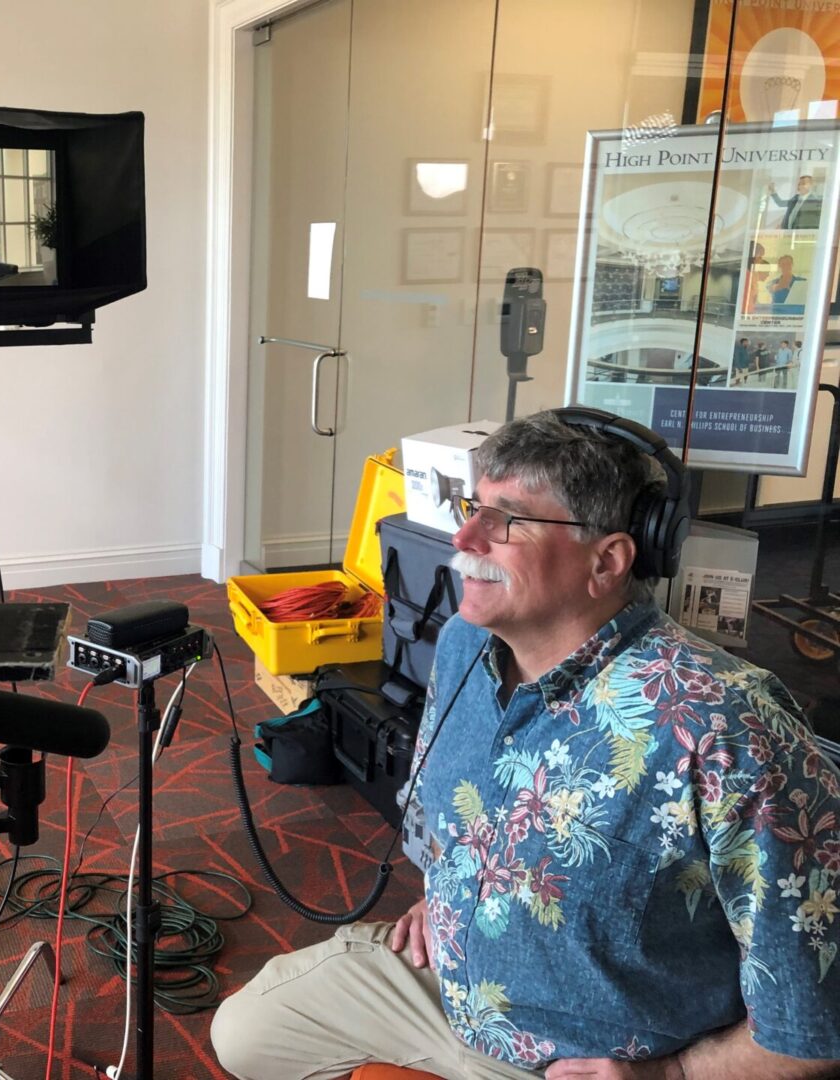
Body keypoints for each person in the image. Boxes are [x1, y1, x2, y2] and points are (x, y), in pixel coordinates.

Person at [210, 410, 840, 1080]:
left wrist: (673, 1075)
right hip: (449, 990)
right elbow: (450, 816)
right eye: (474, 506)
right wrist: (445, 893)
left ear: (608, 560)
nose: (465, 535)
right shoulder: (464, 645)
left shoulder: (725, 722)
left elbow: (812, 1026)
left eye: (506, 520)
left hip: (600, 1059)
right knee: (244, 1035)